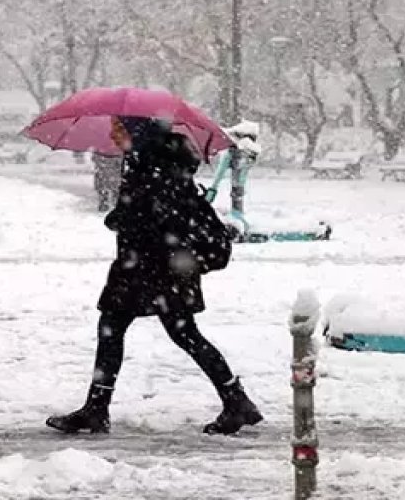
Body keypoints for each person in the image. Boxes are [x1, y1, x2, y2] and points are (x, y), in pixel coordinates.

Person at [46, 116, 261, 436]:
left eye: (118, 129)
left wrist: (122, 217)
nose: (112, 135)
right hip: (156, 269)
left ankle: (98, 408)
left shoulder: (152, 164)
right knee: (161, 332)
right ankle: (234, 399)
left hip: (153, 269)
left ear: (136, 132)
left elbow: (155, 217)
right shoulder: (154, 160)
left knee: (145, 331)